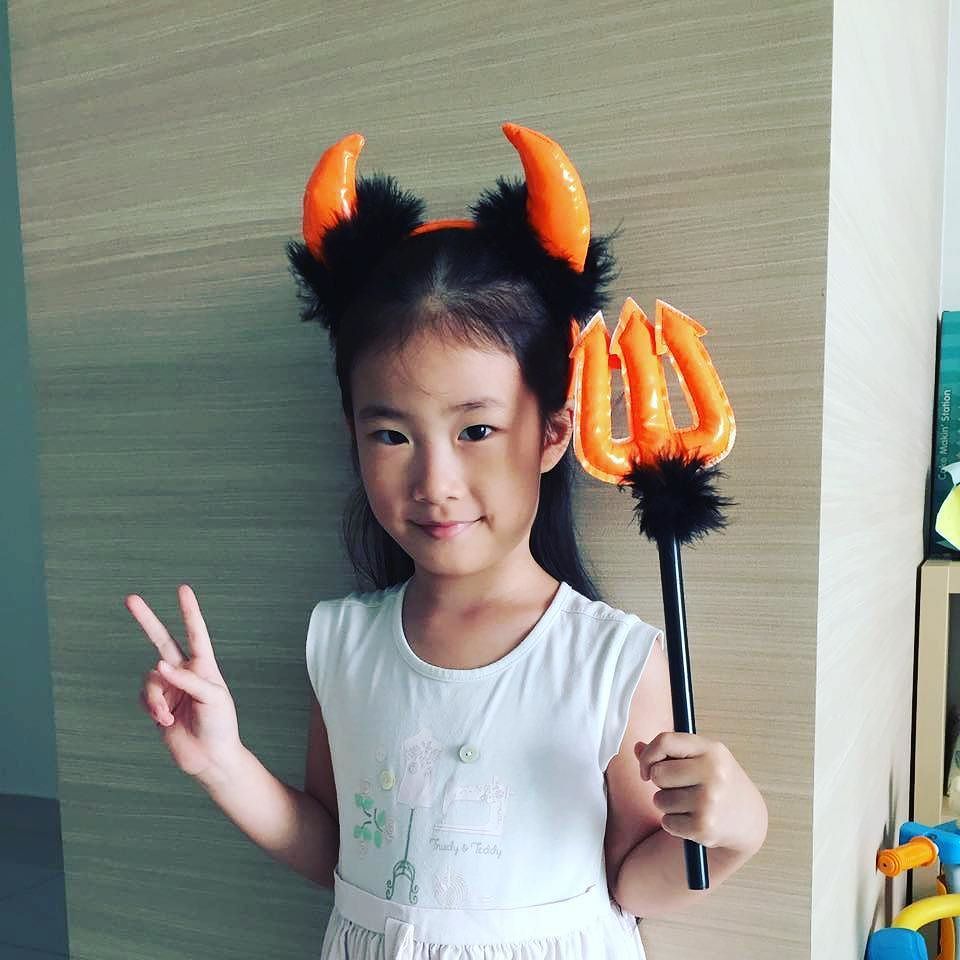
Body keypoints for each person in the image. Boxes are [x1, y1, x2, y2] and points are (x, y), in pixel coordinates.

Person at [128, 123, 767, 958]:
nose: (435, 481)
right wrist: (222, 762)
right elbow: (341, 855)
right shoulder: (343, 642)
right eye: (391, 435)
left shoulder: (608, 659)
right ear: (352, 434)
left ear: (553, 431)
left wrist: (733, 833)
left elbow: (631, 883)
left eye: (476, 430)